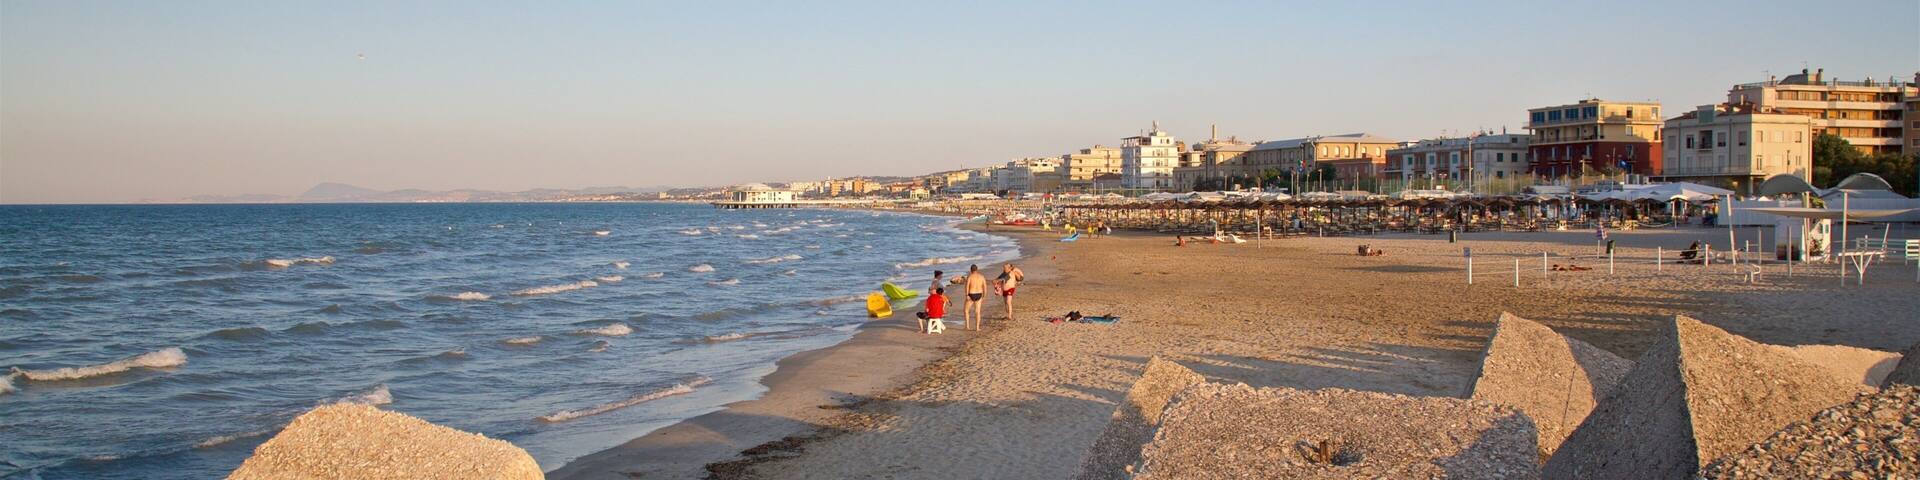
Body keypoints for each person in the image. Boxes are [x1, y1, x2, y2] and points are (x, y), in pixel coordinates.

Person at [963, 265, 988, 331]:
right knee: (977, 311)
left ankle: (967, 326)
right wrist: (984, 296)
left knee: (966, 310)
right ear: (977, 269)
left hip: (971, 294)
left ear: (971, 270)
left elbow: (967, 286)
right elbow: (985, 286)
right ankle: (977, 328)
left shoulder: (970, 276)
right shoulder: (982, 277)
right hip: (979, 294)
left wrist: (967, 295)